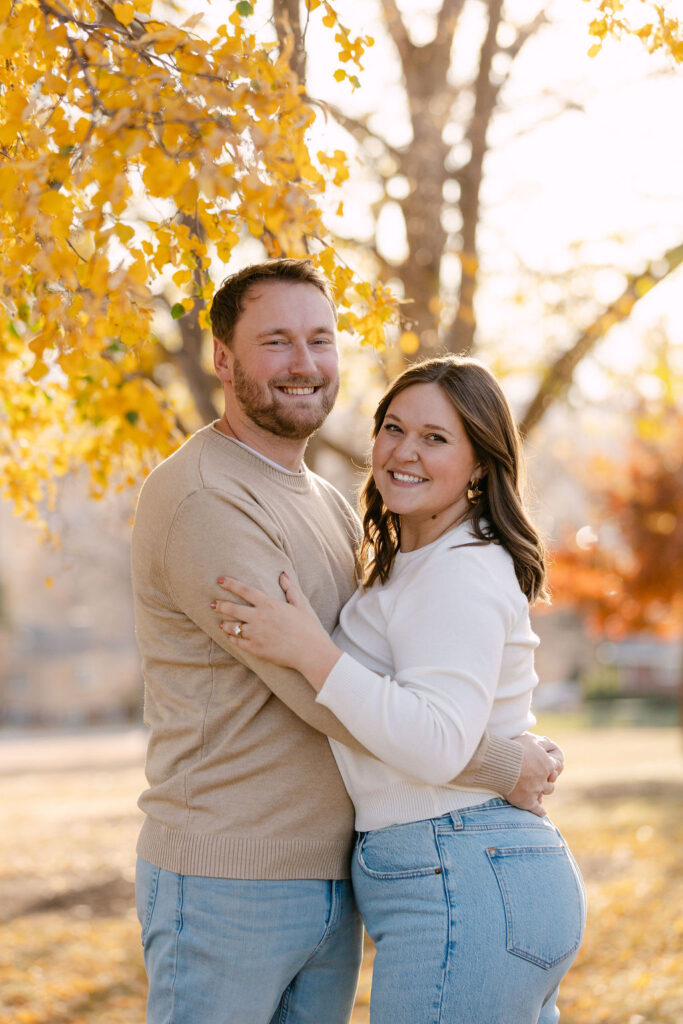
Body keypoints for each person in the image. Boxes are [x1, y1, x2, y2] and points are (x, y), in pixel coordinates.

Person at [131, 258, 565, 1024]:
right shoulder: (206, 497)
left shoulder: (330, 504)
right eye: (276, 342)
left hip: (335, 877)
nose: (304, 364)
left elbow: (376, 676)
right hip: (232, 875)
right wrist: (503, 761)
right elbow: (313, 687)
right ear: (223, 361)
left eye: (320, 340)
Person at [212, 354, 586, 1023]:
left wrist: (311, 652)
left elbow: (437, 739)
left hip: (462, 872)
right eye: (392, 428)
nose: (403, 452)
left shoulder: (460, 568)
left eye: (435, 438)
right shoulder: (411, 564)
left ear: (478, 464)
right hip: (474, 873)